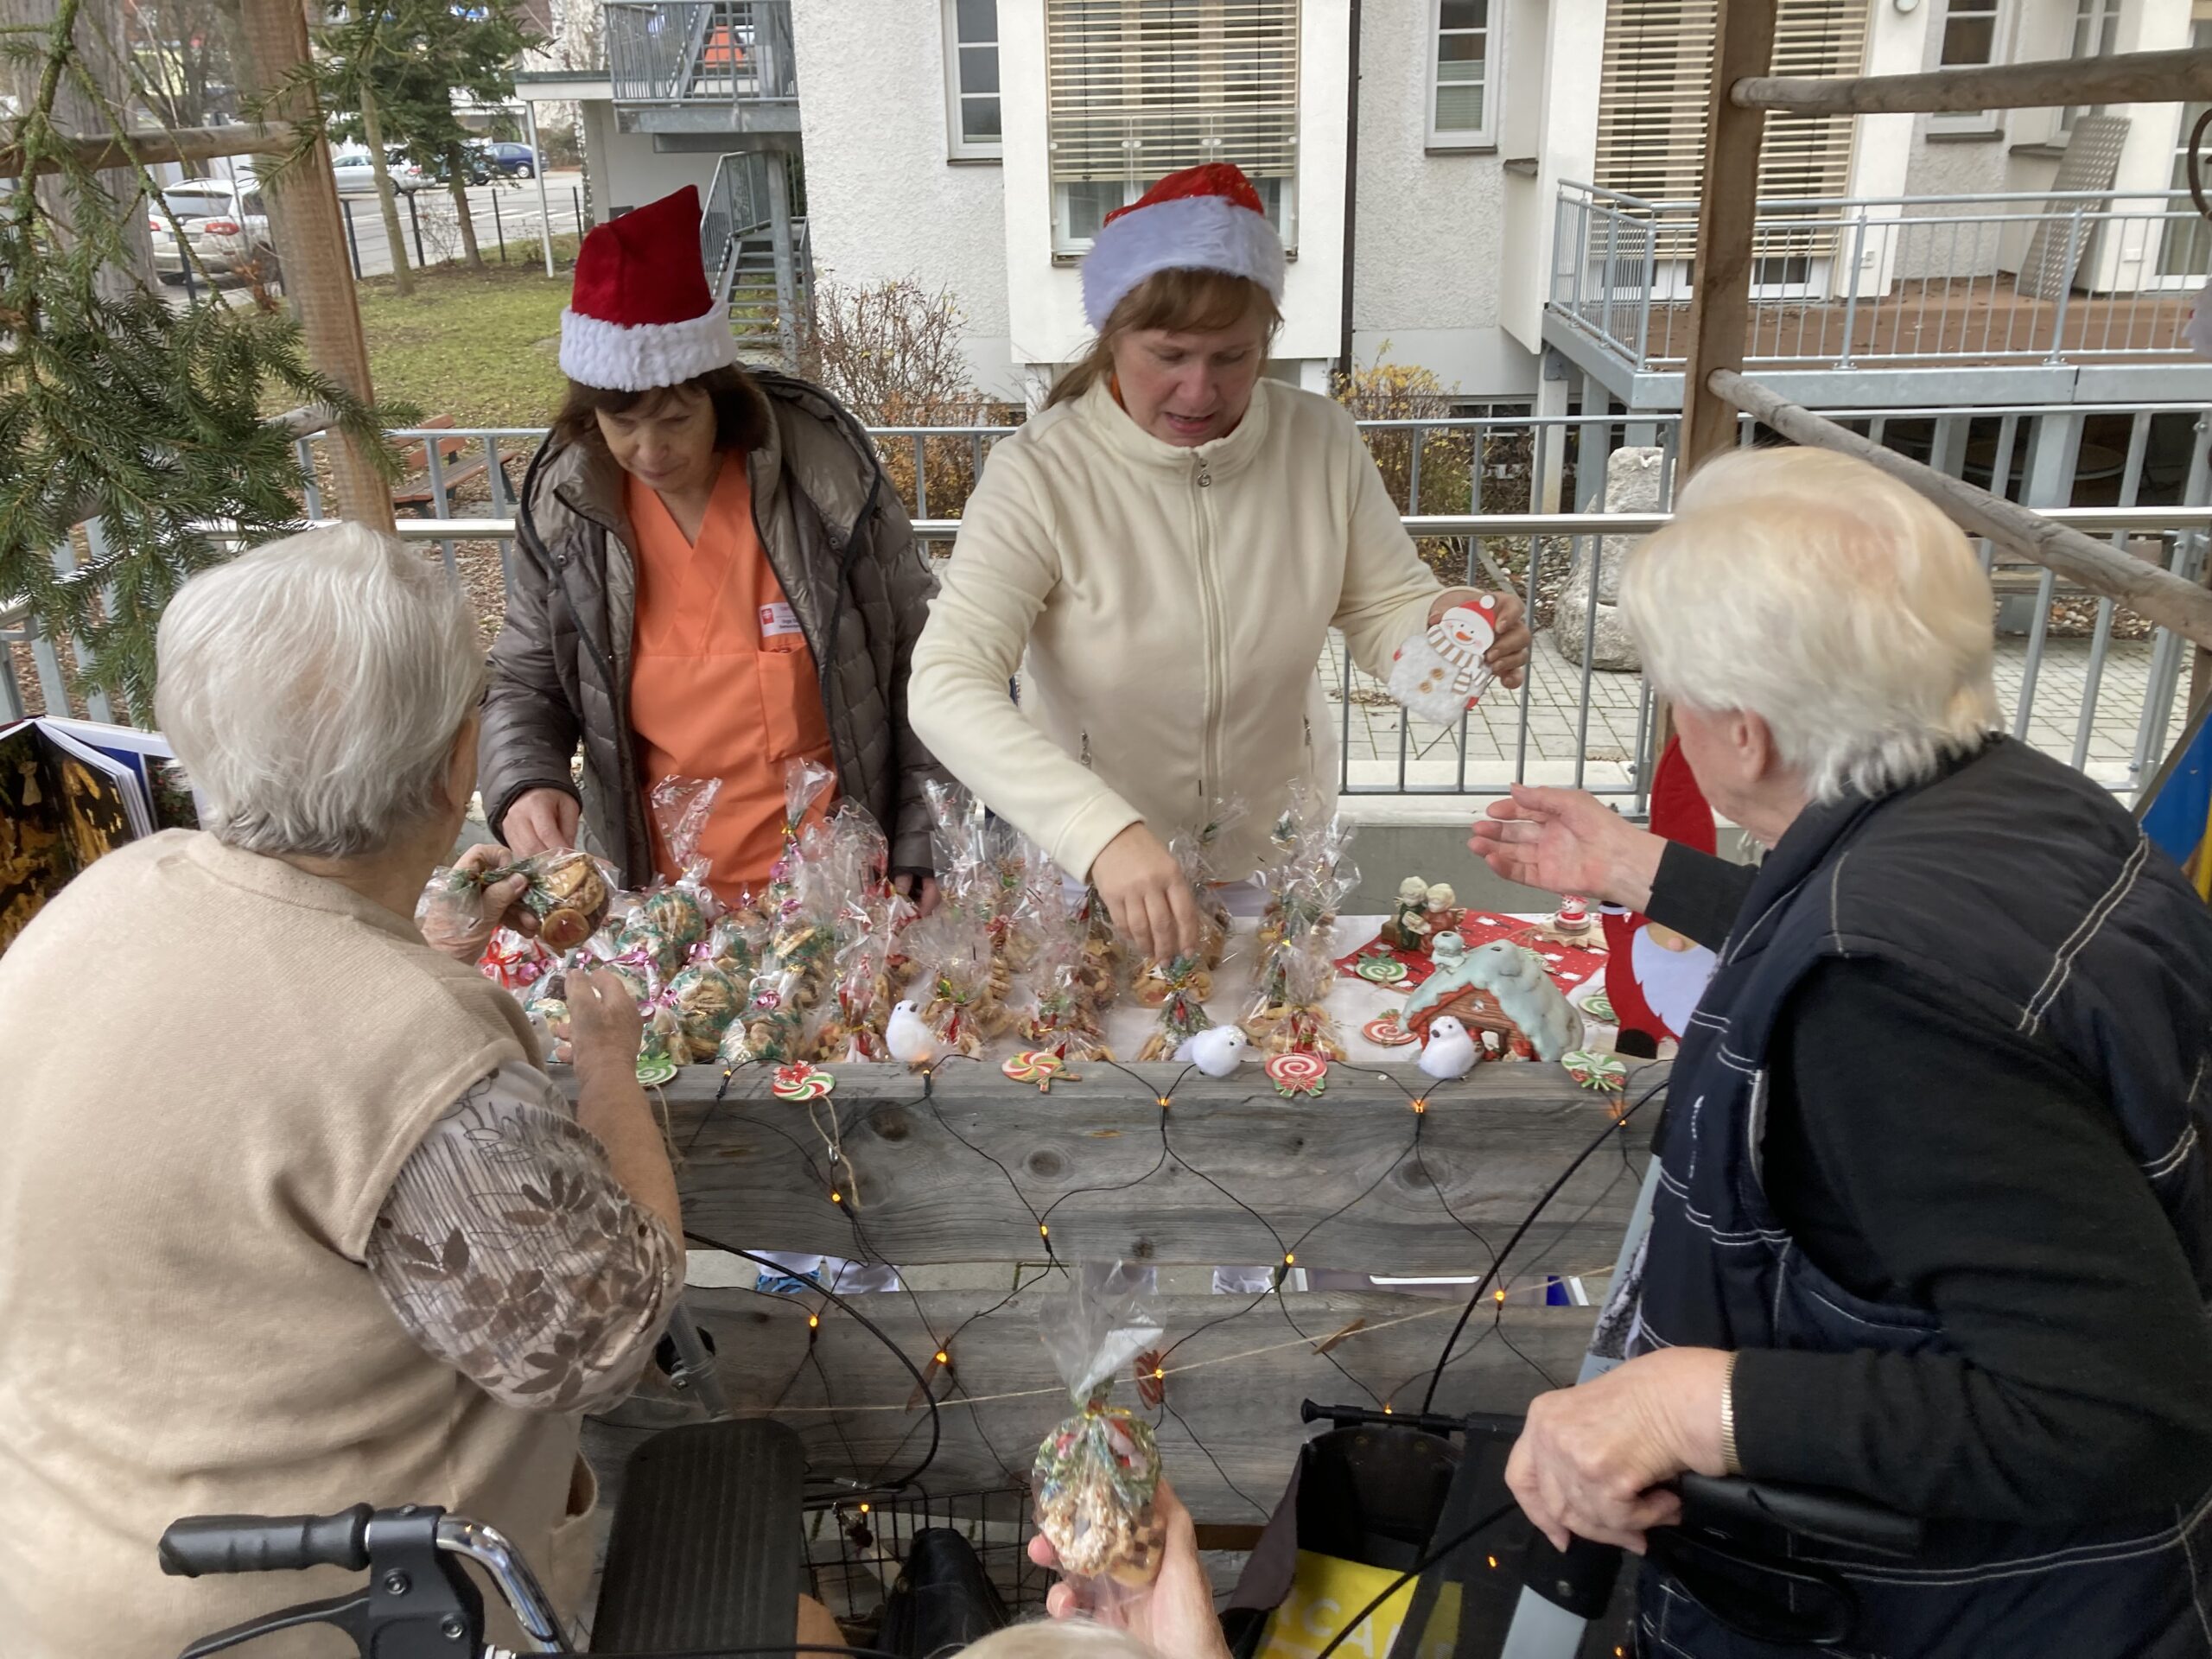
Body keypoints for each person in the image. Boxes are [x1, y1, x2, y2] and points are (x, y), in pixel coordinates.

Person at [1469, 448, 2212, 1656]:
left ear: (1743, 734)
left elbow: (2115, 1409)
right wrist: (1631, 867)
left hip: (1956, 1615)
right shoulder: (2025, 803)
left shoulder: (1883, 1002)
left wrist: (1691, 1402)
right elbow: (1851, 904)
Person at [0, 526, 682, 1656]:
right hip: (323, 1617)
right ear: (450, 769)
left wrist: (408, 957)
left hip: (54, 1583)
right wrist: (610, 1066)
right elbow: (604, 1338)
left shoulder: (103, 898)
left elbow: (257, 1043)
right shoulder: (416, 1054)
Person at [911, 163, 1529, 960]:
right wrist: (1100, 833)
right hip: (1094, 871)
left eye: (1233, 358)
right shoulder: (1041, 473)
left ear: (1268, 337)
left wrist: (1447, 623)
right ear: (1111, 336)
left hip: (1274, 860)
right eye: (1168, 354)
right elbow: (947, 682)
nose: (1198, 391)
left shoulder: (1321, 443)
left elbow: (1383, 610)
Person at [481, 184, 947, 909]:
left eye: (675, 417)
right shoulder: (569, 509)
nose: (650, 450)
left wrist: (923, 836)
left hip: (839, 889)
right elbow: (524, 679)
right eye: (621, 422)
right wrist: (525, 778)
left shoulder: (822, 482)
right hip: (663, 898)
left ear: (718, 393)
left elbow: (922, 660)